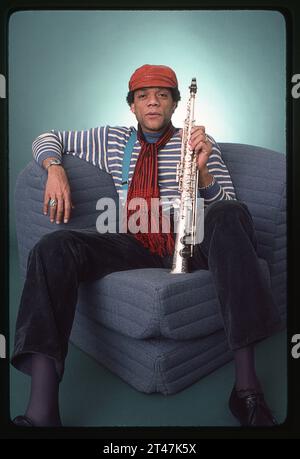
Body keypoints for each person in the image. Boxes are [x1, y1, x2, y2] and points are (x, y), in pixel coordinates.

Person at [11, 64, 281, 427]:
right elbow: (48, 138)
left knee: (229, 213)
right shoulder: (111, 140)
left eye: (162, 95)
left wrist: (202, 171)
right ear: (132, 106)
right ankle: (42, 410)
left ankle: (246, 389)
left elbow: (227, 208)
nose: (152, 102)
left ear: (173, 105)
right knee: (52, 246)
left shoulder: (199, 141)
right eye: (143, 96)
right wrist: (54, 168)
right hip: (134, 238)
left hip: (192, 238)